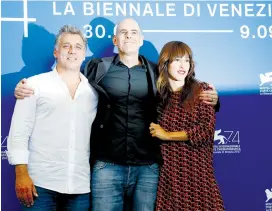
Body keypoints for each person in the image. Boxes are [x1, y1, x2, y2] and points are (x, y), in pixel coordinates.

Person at [13, 18, 219, 211]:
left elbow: (182, 93)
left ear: (141, 39)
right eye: (123, 32)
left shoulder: (157, 73)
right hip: (107, 165)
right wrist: (24, 88)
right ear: (114, 40)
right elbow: (68, 79)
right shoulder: (97, 68)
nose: (128, 36)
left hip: (147, 166)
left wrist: (214, 99)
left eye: (133, 32)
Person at [7, 25, 98, 210]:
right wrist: (21, 173)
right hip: (40, 184)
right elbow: (19, 133)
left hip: (80, 185)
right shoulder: (33, 85)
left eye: (78, 47)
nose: (72, 51)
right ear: (56, 52)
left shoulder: (94, 92)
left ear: (84, 54)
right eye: (66, 46)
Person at [149, 41, 225, 211]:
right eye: (177, 60)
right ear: (165, 63)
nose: (183, 65)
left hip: (199, 179)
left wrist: (167, 135)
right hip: (170, 180)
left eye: (187, 60)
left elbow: (205, 130)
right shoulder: (160, 98)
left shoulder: (202, 90)